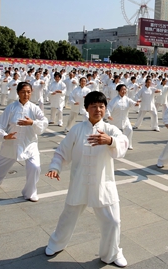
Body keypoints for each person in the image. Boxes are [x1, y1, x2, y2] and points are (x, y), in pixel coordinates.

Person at [45, 91, 129, 267]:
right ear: (86, 109)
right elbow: (62, 151)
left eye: (101, 106)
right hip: (80, 181)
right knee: (68, 216)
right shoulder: (77, 130)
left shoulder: (110, 130)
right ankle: (56, 243)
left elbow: (123, 143)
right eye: (93, 106)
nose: (98, 110)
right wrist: (55, 167)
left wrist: (110, 141)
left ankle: (111, 253)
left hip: (103, 183)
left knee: (113, 221)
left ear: (105, 109)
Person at [0, 81, 48, 201]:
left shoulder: (34, 108)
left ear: (31, 92)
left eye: (28, 92)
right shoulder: (11, 108)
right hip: (11, 142)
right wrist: (4, 135)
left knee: (35, 166)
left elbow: (44, 121)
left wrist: (32, 122)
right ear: (18, 93)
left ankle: (30, 192)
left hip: (29, 143)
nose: (26, 94)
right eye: (23, 92)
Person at [107, 84, 140, 149]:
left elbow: (133, 103)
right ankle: (112, 143)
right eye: (122, 90)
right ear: (119, 91)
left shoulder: (127, 99)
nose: (124, 91)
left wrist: (136, 104)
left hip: (125, 118)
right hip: (115, 118)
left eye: (125, 89)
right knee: (114, 132)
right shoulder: (114, 100)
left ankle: (127, 144)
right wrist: (108, 116)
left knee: (129, 129)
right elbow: (108, 108)